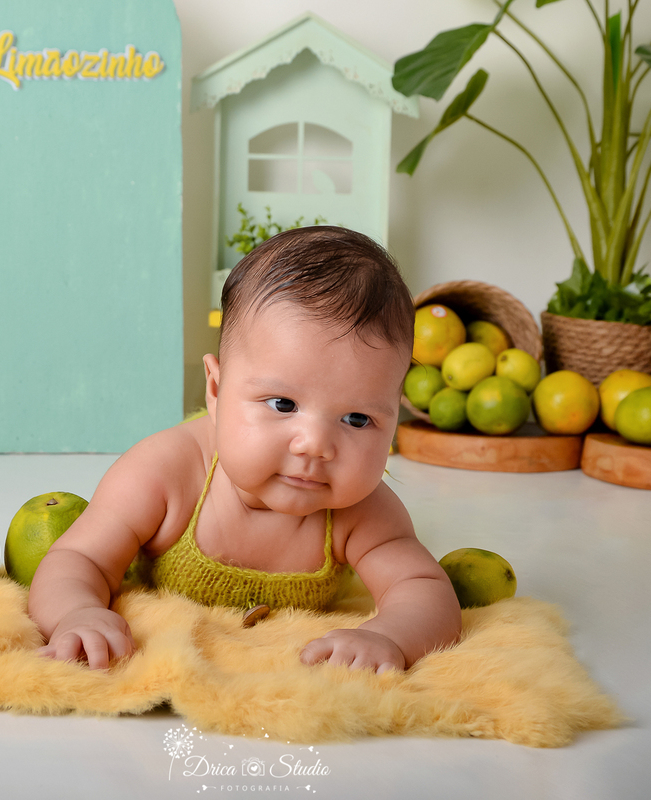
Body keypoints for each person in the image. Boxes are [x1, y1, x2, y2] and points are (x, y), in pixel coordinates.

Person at [28, 226, 461, 673]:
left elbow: (424, 588)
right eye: (283, 404)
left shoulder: (363, 512)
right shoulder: (164, 473)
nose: (315, 445)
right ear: (215, 390)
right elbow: (79, 559)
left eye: (357, 419)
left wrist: (387, 636)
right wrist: (76, 613)